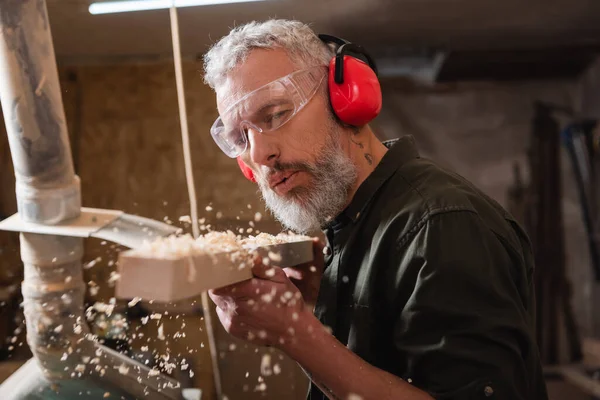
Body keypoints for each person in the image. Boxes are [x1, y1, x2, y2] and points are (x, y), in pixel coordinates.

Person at [203, 19, 549, 400]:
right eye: (241, 138)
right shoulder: (355, 221)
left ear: (345, 96)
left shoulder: (442, 225)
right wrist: (329, 297)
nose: (259, 155)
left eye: (275, 115)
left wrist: (294, 334)